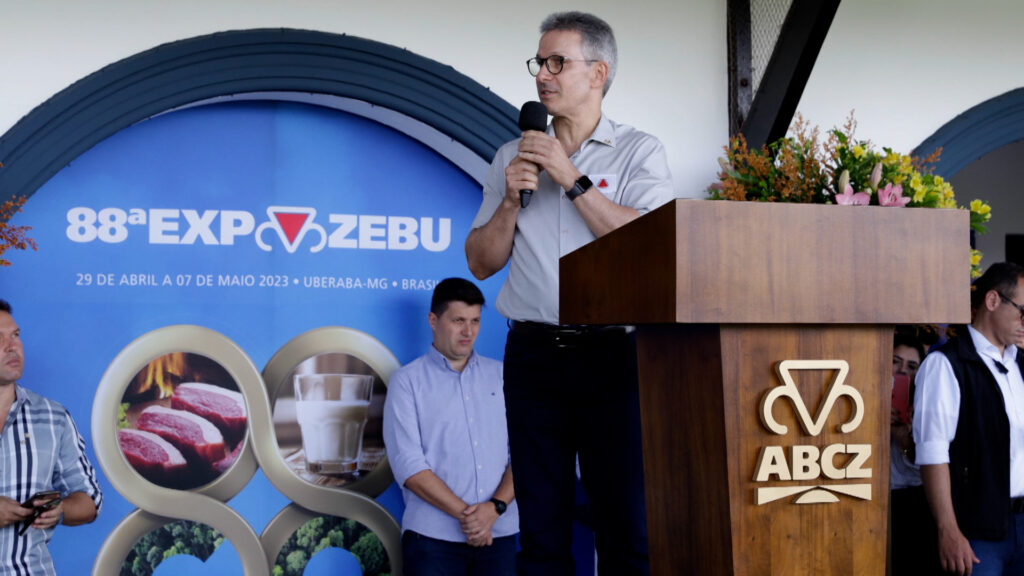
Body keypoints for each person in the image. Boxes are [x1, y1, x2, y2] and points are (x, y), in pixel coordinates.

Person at [465, 11, 674, 575]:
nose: (543, 75)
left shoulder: (638, 152)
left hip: (614, 358)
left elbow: (648, 245)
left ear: (598, 73)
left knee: (626, 524)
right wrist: (510, 201)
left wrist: (571, 178)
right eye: (540, 62)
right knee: (541, 529)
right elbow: (481, 262)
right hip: (533, 358)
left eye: (558, 62)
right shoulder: (511, 156)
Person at [382, 278, 518, 575]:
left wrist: (494, 509)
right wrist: (471, 519)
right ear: (433, 320)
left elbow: (524, 452)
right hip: (432, 540)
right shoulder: (407, 382)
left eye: (475, 321)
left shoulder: (504, 376)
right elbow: (409, 465)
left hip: (500, 533)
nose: (468, 331)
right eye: (458, 320)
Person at [914, 262, 1024, 576]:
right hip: (976, 528)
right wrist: (948, 529)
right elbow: (933, 453)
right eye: (1023, 311)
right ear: (992, 301)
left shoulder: (1019, 362)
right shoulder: (946, 363)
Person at [0, 299, 103, 575]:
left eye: (16, 335)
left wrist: (60, 509)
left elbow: (90, 501)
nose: (12, 347)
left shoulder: (53, 417)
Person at [890, 327, 939, 575]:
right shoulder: (858, 398)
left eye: (912, 366)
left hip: (912, 502)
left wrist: (902, 437)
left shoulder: (925, 404)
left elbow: (921, 465)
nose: (902, 371)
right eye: (896, 362)